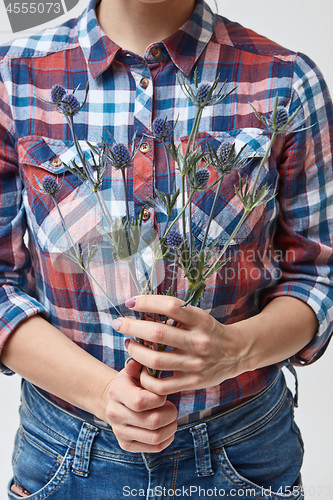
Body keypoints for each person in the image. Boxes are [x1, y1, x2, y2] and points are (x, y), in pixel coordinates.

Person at [0, 0, 332, 498]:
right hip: (66, 455)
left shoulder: (285, 78)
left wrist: (234, 351)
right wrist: (105, 392)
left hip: (243, 450)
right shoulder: (15, 76)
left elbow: (316, 273)